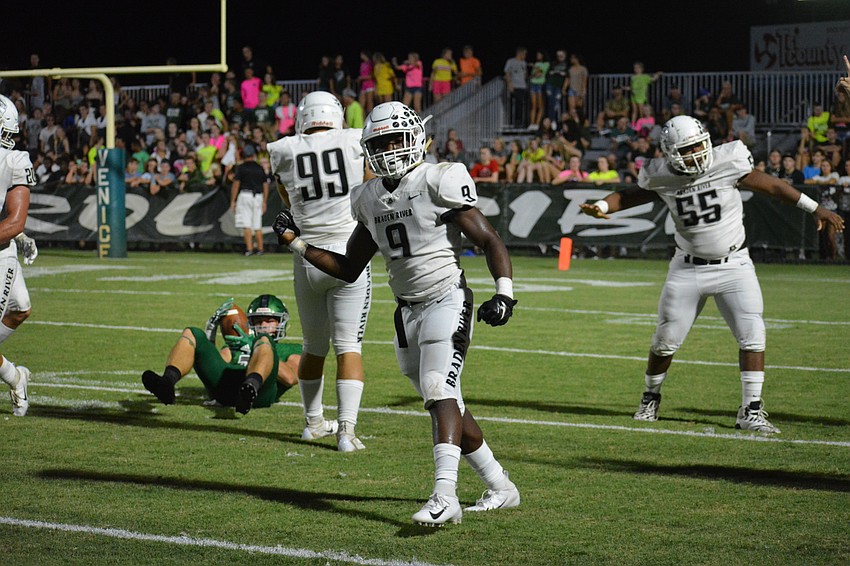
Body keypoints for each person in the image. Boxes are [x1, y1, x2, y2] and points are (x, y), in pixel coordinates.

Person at [273, 101, 520, 526]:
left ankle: (445, 494)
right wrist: (297, 243)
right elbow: (349, 268)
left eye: (393, 139)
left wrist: (505, 292)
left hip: (447, 296)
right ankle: (501, 485)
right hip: (407, 310)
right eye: (379, 142)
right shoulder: (367, 197)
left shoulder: (438, 178)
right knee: (448, 401)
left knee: (436, 385)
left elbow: (490, 239)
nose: (387, 149)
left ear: (414, 140)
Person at [579, 115, 845, 433]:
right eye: (686, 149)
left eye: (697, 146)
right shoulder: (661, 174)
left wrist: (816, 208)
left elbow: (773, 186)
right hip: (687, 268)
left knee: (753, 335)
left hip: (735, 264)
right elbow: (631, 194)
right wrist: (604, 207)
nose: (695, 154)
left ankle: (751, 409)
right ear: (670, 152)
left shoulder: (727, 161)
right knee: (665, 342)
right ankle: (650, 397)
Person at [268, 91, 373, 452]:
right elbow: (369, 182)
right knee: (348, 346)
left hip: (305, 255)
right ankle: (346, 431)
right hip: (348, 253)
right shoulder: (355, 138)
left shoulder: (282, 149)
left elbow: (287, 197)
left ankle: (313, 423)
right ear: (337, 115)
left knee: (313, 346)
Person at [142, 295, 299, 414]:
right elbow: (214, 366)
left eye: (270, 320)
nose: (263, 325)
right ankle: (167, 382)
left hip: (261, 394)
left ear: (281, 323)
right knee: (192, 332)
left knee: (263, 341)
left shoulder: (292, 349)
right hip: (226, 390)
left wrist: (253, 346)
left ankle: (251, 386)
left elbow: (290, 378)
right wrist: (209, 337)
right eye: (258, 321)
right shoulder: (236, 343)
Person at [0, 95, 36, 417]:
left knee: (20, 309)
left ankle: (14, 376)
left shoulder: (13, 160)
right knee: (21, 307)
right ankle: (15, 376)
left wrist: (19, 233)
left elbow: (14, 221)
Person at [230, 144, 268, 256]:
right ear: (254, 155)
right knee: (257, 224)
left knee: (247, 224)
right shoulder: (259, 168)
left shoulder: (241, 168)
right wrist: (265, 201)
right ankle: (260, 249)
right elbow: (265, 185)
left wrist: (233, 200)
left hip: (245, 195)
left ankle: (249, 249)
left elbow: (236, 184)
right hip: (258, 197)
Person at [504, 47, 529, 128]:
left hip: (523, 86)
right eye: (524, 54)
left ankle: (522, 122)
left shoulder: (524, 63)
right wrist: (510, 84)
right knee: (514, 104)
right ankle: (514, 122)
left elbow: (525, 74)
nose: (525, 56)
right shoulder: (511, 61)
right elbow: (507, 73)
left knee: (522, 104)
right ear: (520, 53)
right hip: (515, 85)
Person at [545, 49, 569, 124]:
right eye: (558, 56)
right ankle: (551, 120)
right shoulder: (553, 64)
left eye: (561, 55)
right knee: (550, 102)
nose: (560, 57)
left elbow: (567, 76)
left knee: (556, 103)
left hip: (559, 86)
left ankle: (554, 120)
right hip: (550, 84)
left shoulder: (567, 65)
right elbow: (548, 73)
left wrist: (564, 88)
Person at [528, 49, 549, 130]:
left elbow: (540, 72)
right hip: (533, 84)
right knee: (533, 104)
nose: (537, 56)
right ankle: (532, 123)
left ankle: (537, 123)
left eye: (539, 55)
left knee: (540, 105)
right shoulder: (536, 63)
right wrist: (535, 71)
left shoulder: (546, 64)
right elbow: (533, 75)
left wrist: (534, 67)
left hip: (540, 85)